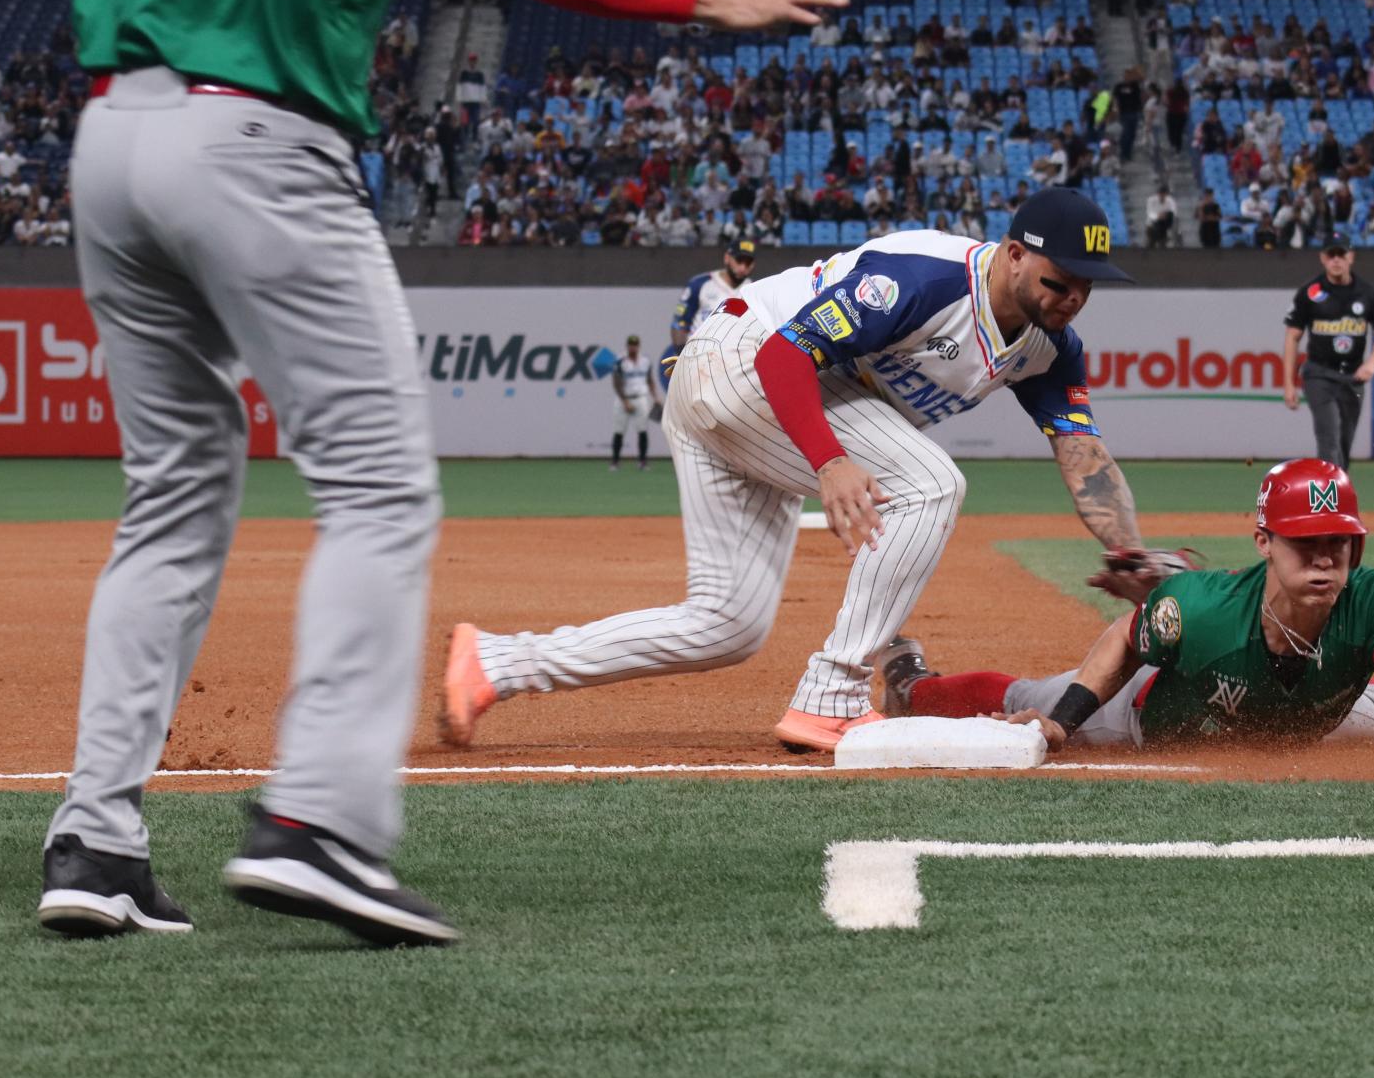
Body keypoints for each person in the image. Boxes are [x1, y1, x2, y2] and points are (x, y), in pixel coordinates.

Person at [36, 0, 866, 947]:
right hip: (257, 133)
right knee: (377, 489)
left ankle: (96, 843)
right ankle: (318, 819)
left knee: (171, 496)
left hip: (109, 139)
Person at [443, 188, 1160, 754]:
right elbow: (785, 356)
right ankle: (834, 693)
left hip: (759, 401)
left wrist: (1123, 546)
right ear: (1011, 255)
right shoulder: (924, 279)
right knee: (932, 482)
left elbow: (1082, 452)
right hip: (742, 360)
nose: (1072, 296)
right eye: (1060, 278)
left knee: (725, 624)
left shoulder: (1050, 347)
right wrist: (830, 460)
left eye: (1087, 285)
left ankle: (496, 664)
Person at [877, 459, 1374, 756]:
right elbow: (1122, 636)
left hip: (1320, 717)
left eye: (1339, 544)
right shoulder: (1196, 613)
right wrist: (1063, 722)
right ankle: (913, 685)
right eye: (1304, 543)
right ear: (1265, 542)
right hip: (1158, 717)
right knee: (1033, 700)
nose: (1324, 558)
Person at [1280, 234, 1374, 470]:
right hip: (1319, 374)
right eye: (1331, 255)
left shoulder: (1367, 293)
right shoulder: (1310, 292)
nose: (1337, 260)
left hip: (1353, 377)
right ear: (1323, 258)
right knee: (1328, 438)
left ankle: (1337, 493)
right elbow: (1292, 336)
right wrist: (1288, 383)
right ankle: (1329, 501)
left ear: (1351, 257)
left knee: (1343, 444)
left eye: (1342, 254)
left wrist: (1371, 363)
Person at [663, 238, 758, 406]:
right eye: (739, 260)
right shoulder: (701, 284)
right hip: (698, 359)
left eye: (748, 262)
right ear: (727, 258)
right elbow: (679, 323)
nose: (743, 267)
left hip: (733, 365)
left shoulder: (756, 290)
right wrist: (681, 356)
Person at [609, 334, 656, 470]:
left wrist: (655, 397)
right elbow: (616, 383)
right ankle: (615, 462)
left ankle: (642, 462)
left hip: (640, 398)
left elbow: (650, 380)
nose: (633, 347)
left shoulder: (645, 361)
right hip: (624, 399)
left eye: (635, 345)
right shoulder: (620, 361)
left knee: (642, 430)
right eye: (630, 345)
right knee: (619, 431)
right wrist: (625, 401)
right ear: (627, 346)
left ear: (638, 346)